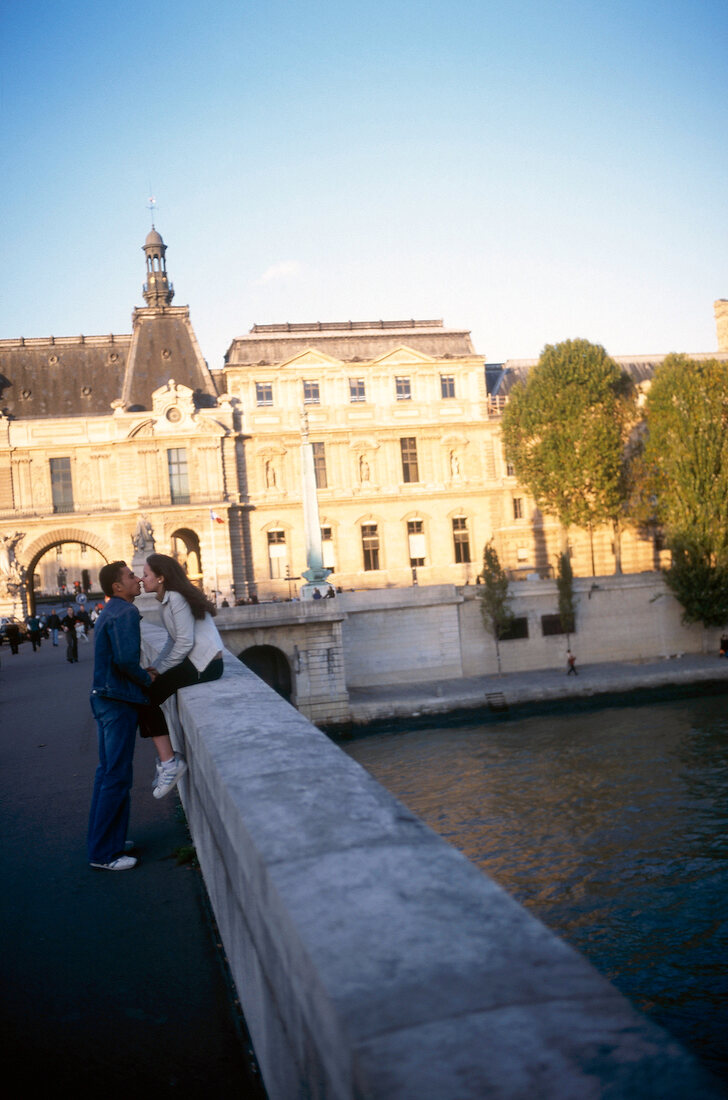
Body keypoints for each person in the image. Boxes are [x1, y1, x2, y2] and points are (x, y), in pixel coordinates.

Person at [140, 553, 224, 799]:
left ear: (161, 578)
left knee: (146, 698)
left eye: (146, 575)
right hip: (199, 662)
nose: (143, 579)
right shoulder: (169, 599)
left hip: (204, 664)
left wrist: (160, 671)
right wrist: (155, 668)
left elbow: (184, 643)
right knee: (146, 695)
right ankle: (167, 760)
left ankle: (170, 763)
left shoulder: (174, 598)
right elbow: (171, 641)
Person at [87, 561, 154, 871]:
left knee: (108, 774)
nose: (138, 579)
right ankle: (104, 854)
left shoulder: (109, 610)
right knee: (116, 776)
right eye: (131, 576)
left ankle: (109, 841)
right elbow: (127, 660)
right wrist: (147, 677)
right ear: (117, 587)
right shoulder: (125, 612)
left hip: (104, 697)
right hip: (118, 699)